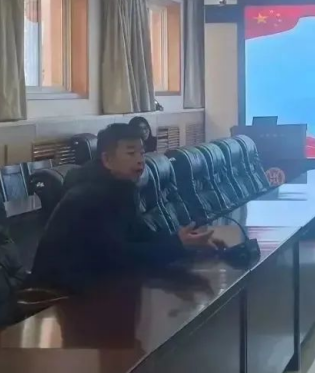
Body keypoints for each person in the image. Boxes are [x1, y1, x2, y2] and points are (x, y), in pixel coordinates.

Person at [31, 123, 223, 293]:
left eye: (142, 153)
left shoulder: (122, 187)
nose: (140, 160)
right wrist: (176, 246)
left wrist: (185, 241)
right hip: (59, 295)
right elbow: (119, 257)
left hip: (96, 283)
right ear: (107, 159)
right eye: (131, 153)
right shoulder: (89, 196)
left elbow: (141, 234)